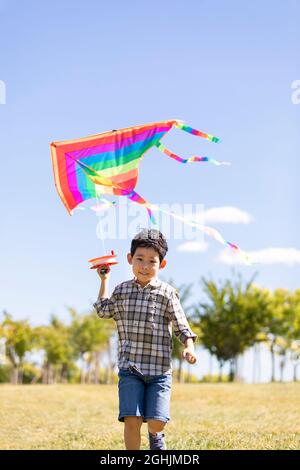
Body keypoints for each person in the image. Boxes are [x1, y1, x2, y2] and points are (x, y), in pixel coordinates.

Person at [94, 229, 197, 450]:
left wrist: (189, 347)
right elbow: (104, 311)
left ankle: (155, 437)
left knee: (157, 422)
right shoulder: (122, 290)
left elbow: (181, 325)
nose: (145, 266)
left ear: (162, 264)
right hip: (130, 368)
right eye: (139, 259)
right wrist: (104, 280)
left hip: (159, 371)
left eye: (152, 261)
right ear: (130, 259)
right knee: (132, 420)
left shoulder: (167, 293)